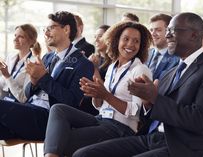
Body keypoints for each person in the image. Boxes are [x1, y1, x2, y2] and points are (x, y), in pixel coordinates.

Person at [72, 12, 203, 157]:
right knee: (84, 154)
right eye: (167, 30)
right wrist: (148, 103)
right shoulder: (171, 73)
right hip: (153, 138)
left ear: (194, 35)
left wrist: (154, 97)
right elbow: (153, 112)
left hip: (185, 147)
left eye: (172, 30)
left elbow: (199, 121)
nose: (167, 36)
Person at [43, 21, 153, 157]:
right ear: (116, 40)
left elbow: (136, 113)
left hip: (121, 128)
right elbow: (100, 106)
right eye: (126, 39)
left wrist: (106, 95)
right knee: (58, 110)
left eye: (136, 41)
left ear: (141, 46)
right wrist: (95, 93)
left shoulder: (140, 70)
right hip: (102, 120)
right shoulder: (113, 67)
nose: (130, 44)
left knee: (59, 141)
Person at [0, 11, 94, 141]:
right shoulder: (48, 57)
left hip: (50, 119)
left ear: (66, 29)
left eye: (50, 28)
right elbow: (27, 95)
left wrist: (43, 78)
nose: (45, 33)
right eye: (45, 29)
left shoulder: (83, 64)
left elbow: (72, 102)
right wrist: (33, 81)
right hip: (30, 110)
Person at [0, 24, 40, 103]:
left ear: (31, 41)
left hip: (18, 106)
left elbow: (23, 98)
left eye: (21, 37)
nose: (15, 39)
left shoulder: (34, 63)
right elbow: (3, 85)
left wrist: (7, 76)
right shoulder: (10, 57)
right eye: (15, 35)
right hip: (4, 101)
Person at [145, 13, 179, 79]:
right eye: (151, 30)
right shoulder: (145, 54)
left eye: (158, 30)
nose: (153, 34)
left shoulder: (178, 58)